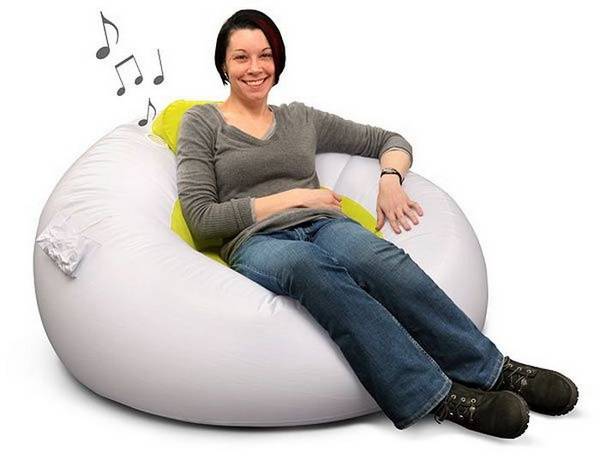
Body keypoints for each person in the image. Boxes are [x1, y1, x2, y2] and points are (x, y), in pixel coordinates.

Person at [175, 9, 578, 438]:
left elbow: (390, 140)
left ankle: (493, 369)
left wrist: (389, 179)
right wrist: (296, 197)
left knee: (379, 259)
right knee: (310, 269)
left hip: (323, 223)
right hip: (257, 239)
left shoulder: (300, 118)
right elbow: (201, 219)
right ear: (223, 65)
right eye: (241, 57)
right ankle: (439, 397)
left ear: (279, 61)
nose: (255, 68)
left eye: (265, 55)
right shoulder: (201, 123)